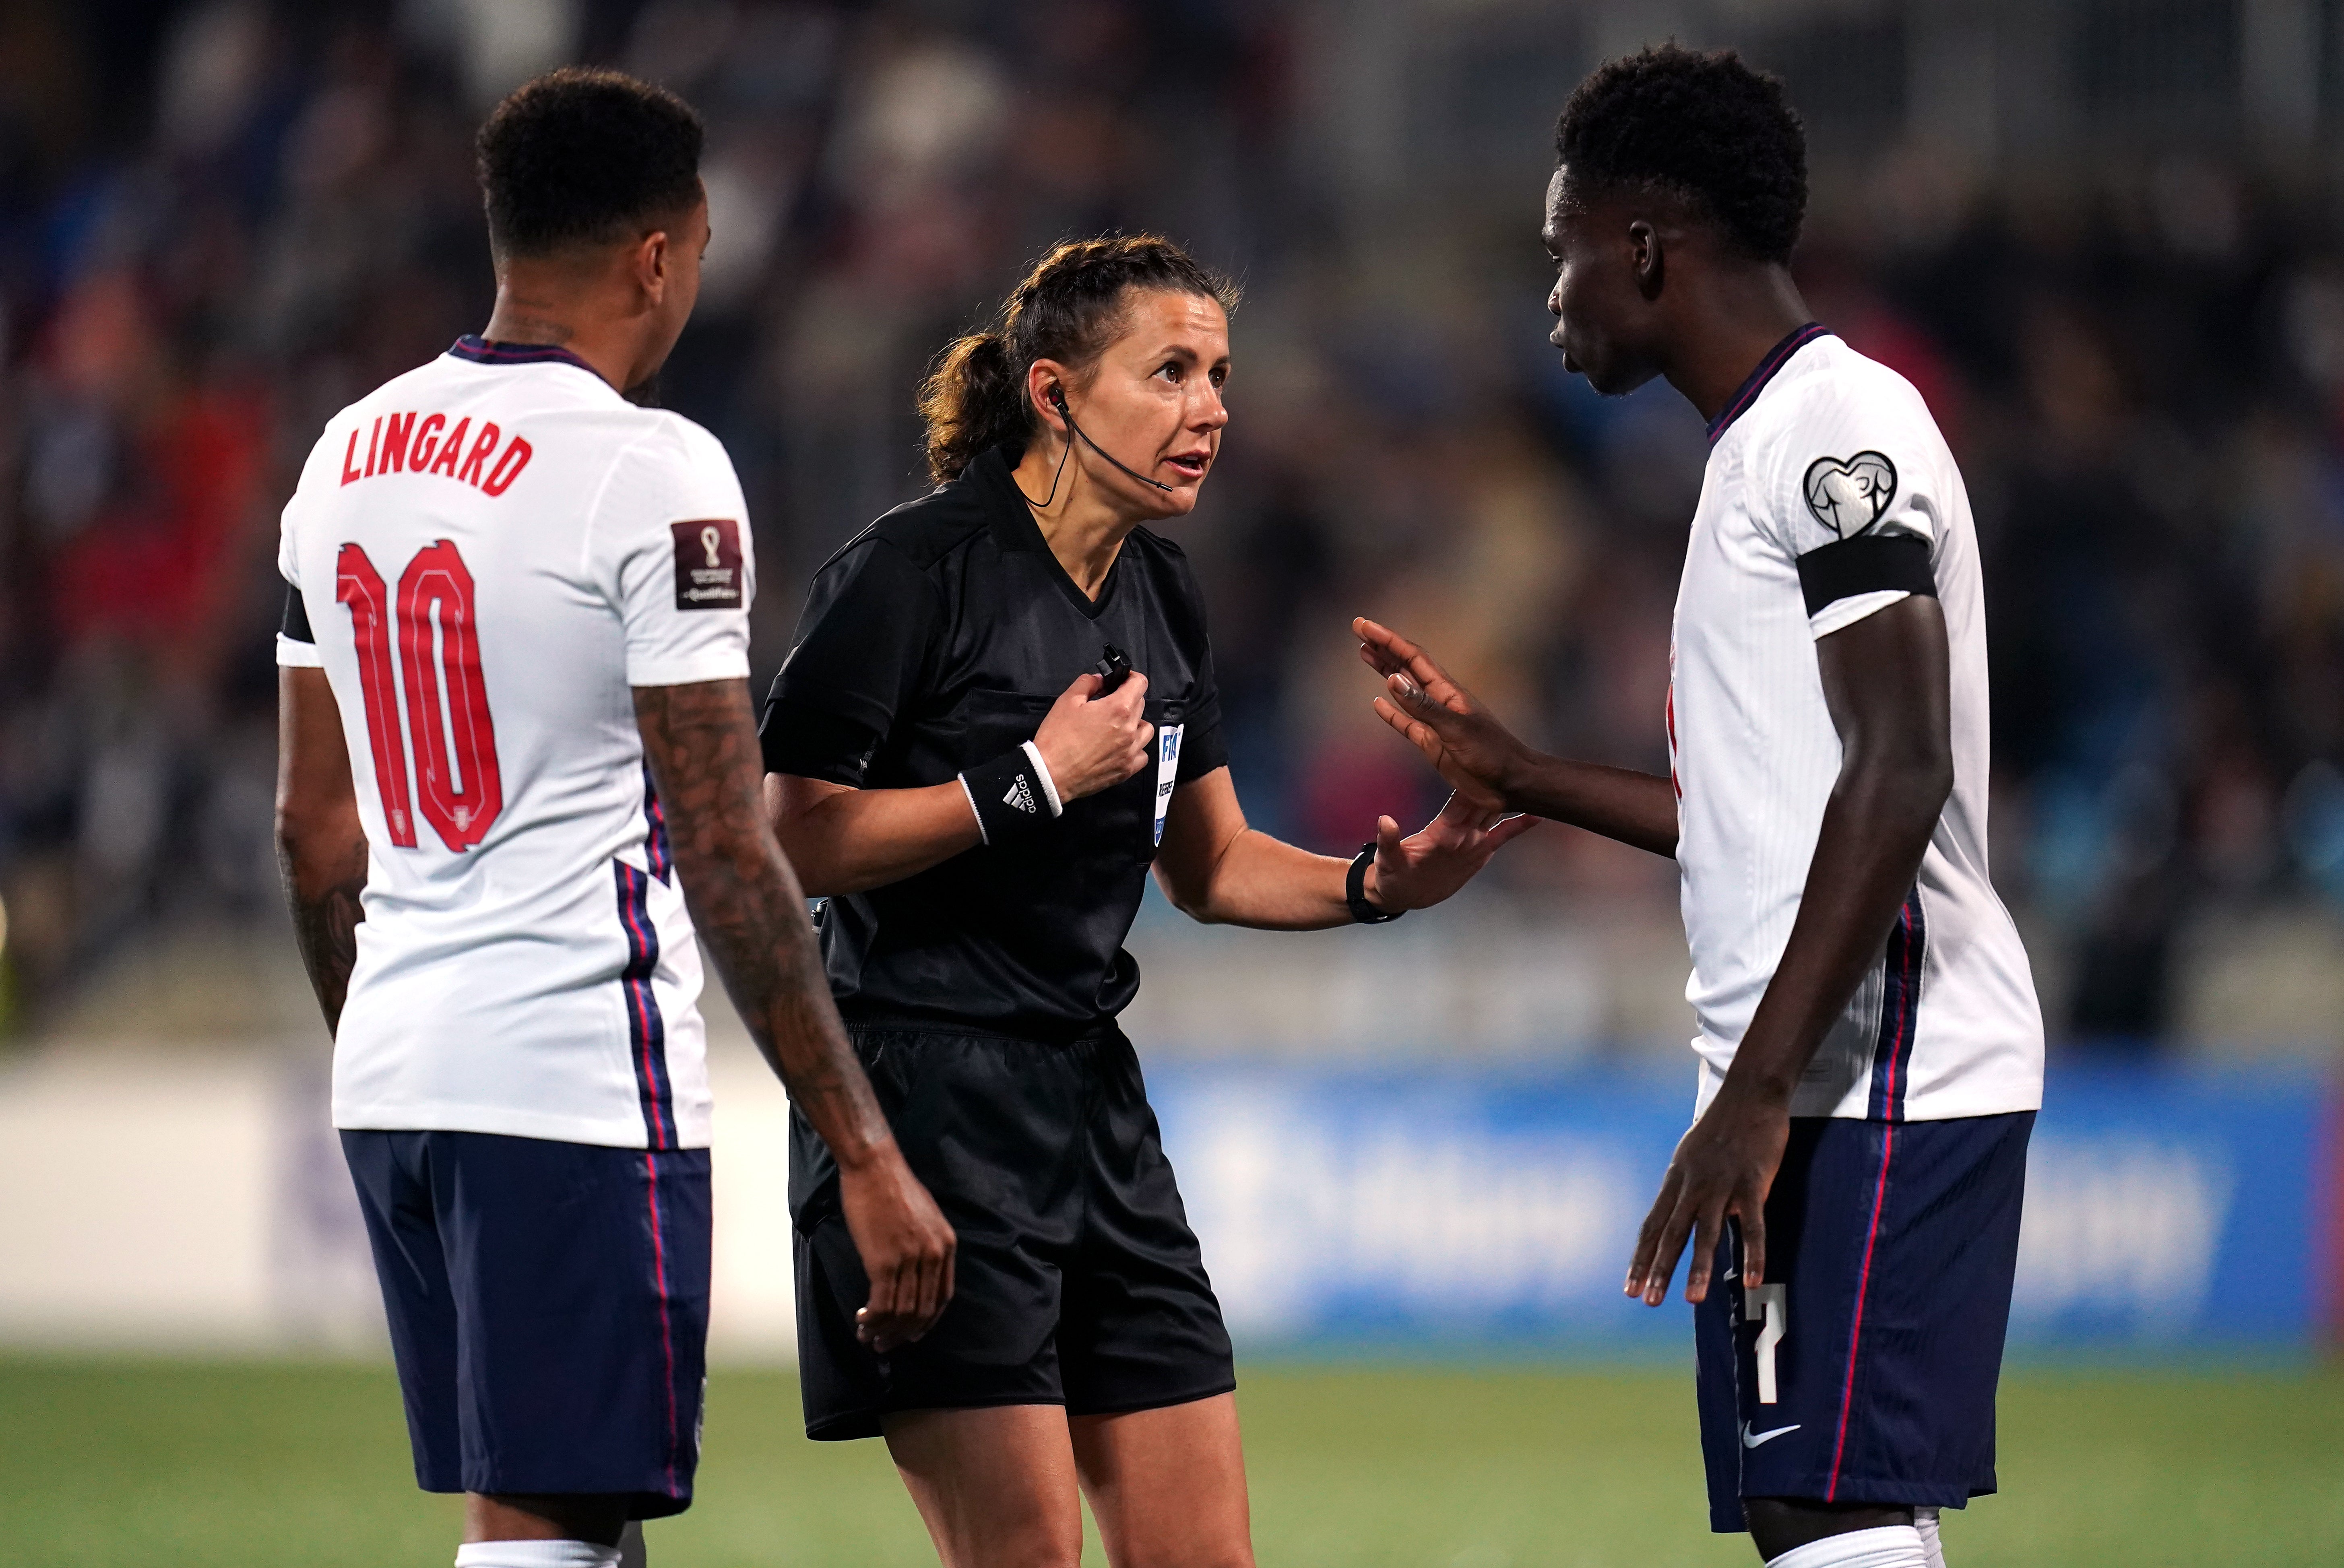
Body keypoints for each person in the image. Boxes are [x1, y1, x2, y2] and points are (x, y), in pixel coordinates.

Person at [1355, 46, 2043, 1568]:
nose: (1553, 294)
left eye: (1564, 252)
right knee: (1826, 1508)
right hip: (1811, 1076)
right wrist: (1530, 775)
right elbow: (1779, 813)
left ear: (1646, 247)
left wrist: (1754, 1096)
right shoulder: (1755, 446)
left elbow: (1900, 769)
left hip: (1882, 1075)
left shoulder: (1836, 432)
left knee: (1830, 1505)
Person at [758, 234, 1532, 1568]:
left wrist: (1378, 885)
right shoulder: (910, 576)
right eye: (1169, 372)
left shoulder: (1163, 590)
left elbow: (1213, 865)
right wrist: (1030, 780)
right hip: (920, 1102)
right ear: (1053, 395)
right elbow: (791, 840)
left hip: (1093, 1110)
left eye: (1220, 374)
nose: (1213, 408)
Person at [272, 68, 953, 1568]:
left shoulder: (339, 459)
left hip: (396, 1074)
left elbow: (314, 832)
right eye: (701, 252)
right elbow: (723, 840)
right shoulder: (652, 468)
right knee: (548, 1533)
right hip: (569, 1076)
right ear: (661, 253)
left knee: (559, 1515)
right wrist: (868, 1154)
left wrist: (405, 1045)